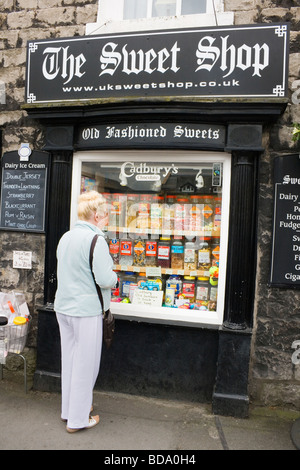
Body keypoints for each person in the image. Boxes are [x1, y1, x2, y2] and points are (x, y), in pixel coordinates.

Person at [54, 190, 118, 433]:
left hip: (64, 307)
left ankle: (69, 411)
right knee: (86, 364)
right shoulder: (96, 240)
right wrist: (115, 278)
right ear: (96, 214)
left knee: (69, 360)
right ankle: (79, 420)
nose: (107, 220)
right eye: (106, 215)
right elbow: (104, 279)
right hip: (87, 309)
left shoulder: (66, 237)